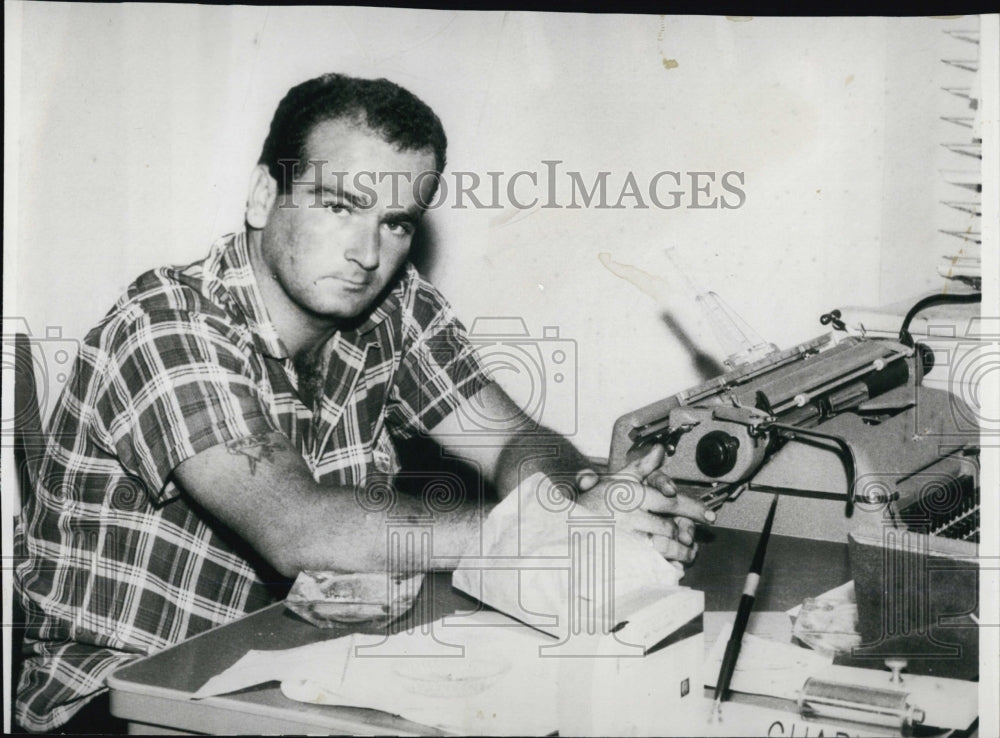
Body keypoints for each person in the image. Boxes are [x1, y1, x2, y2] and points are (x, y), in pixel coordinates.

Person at [13, 73, 714, 733]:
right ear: (263, 197)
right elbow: (299, 529)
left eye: (396, 223)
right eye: (339, 205)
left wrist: (584, 498)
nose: (367, 252)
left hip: (291, 683)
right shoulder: (167, 323)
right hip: (120, 700)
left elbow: (512, 442)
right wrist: (544, 532)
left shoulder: (394, 307)